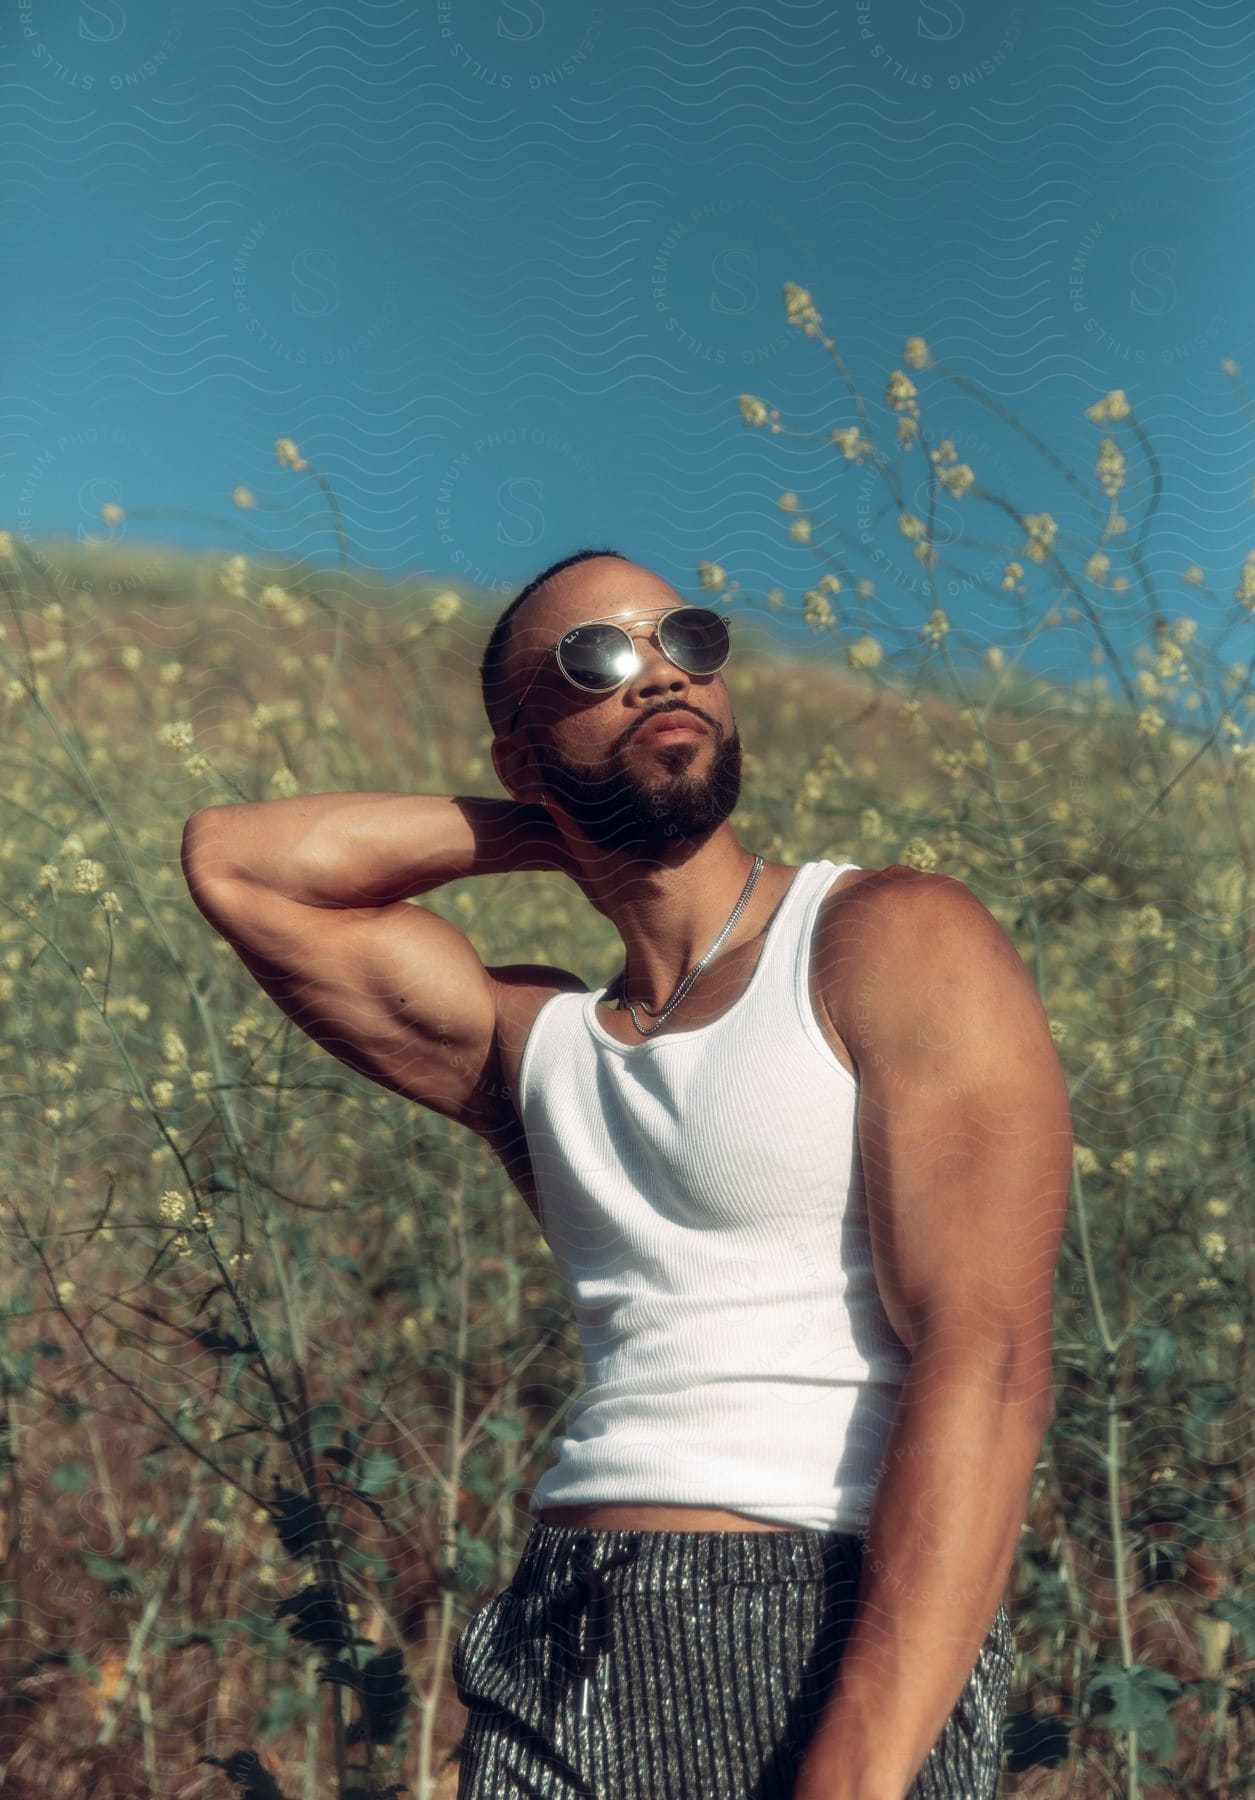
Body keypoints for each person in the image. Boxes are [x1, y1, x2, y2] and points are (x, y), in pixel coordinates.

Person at [182, 549, 1072, 1799]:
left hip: (813, 1622)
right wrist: (561, 833)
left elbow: (988, 1363)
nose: (657, 670)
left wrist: (859, 1767)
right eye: (594, 660)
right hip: (557, 1630)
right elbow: (236, 860)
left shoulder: (888, 936)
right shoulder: (531, 1043)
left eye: (687, 638)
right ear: (519, 749)